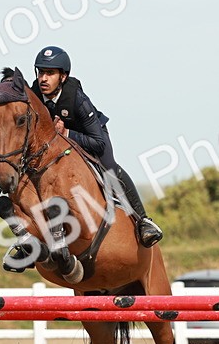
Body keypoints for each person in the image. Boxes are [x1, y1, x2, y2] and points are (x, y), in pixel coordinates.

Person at [28, 46, 163, 247]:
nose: (43, 79)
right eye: (40, 73)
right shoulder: (35, 94)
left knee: (109, 168)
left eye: (50, 73)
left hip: (89, 135)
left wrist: (66, 133)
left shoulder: (78, 100)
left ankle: (143, 221)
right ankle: (27, 238)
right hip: (56, 144)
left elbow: (98, 143)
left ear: (63, 77)